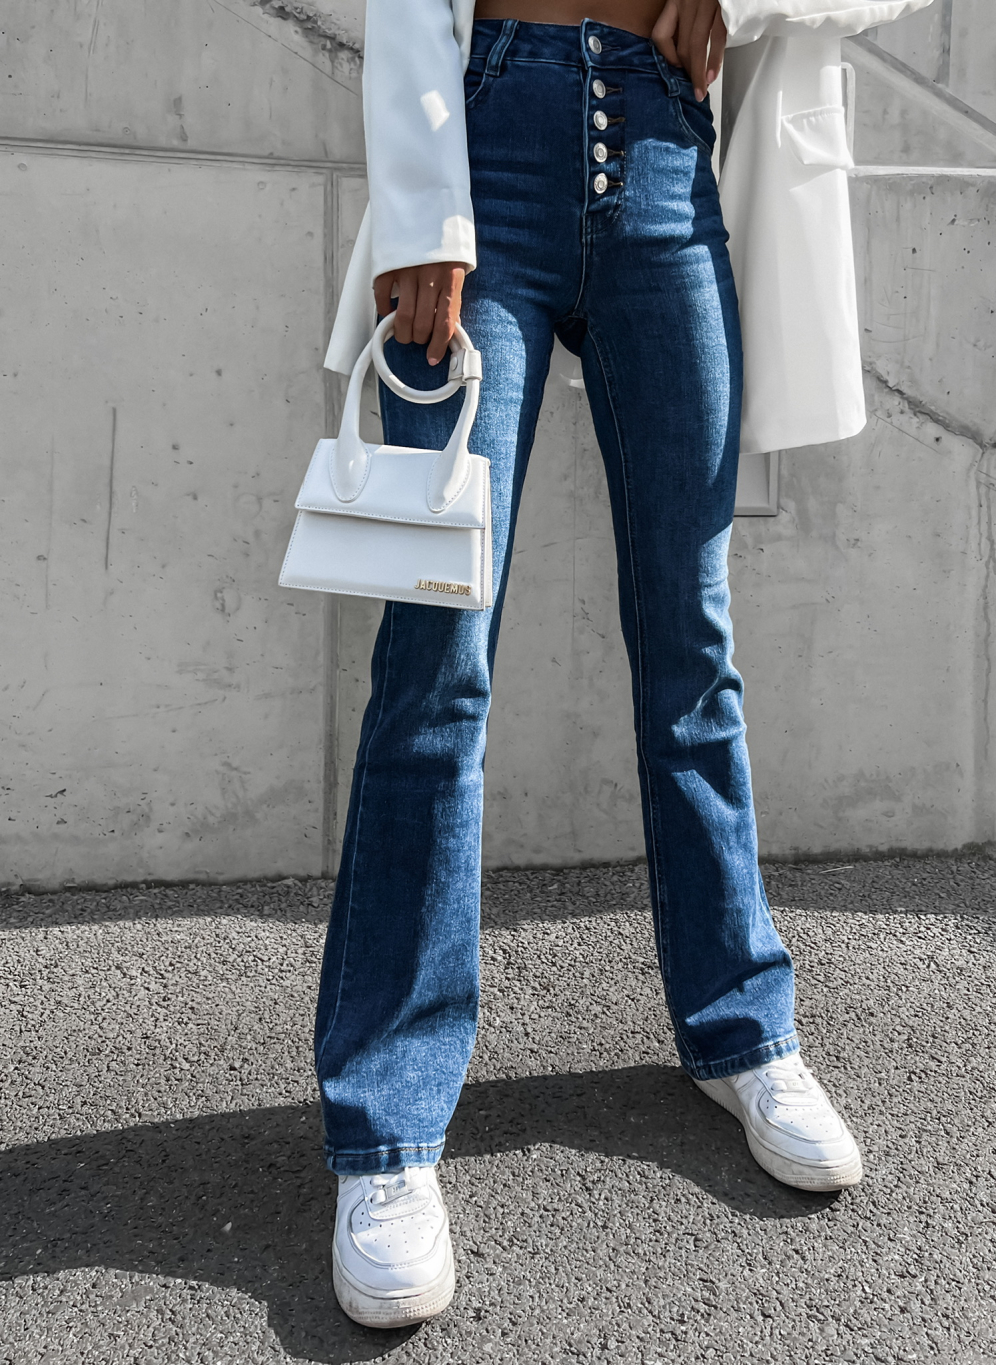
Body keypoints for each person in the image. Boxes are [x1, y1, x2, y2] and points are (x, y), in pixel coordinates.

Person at [314, 0, 881, 1331]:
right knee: (437, 652)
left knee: (693, 642)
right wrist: (422, 214)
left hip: (668, 150)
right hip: (487, 139)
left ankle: (743, 1027)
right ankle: (387, 1124)